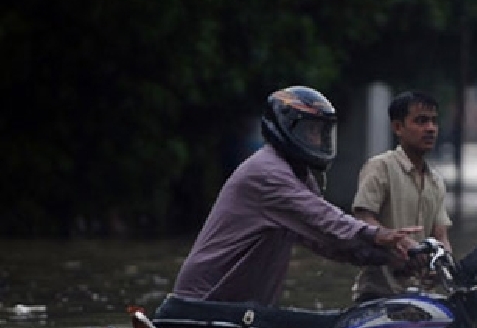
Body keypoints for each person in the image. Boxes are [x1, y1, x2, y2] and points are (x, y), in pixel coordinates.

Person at [158, 86, 421, 309]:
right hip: (202, 305)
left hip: (242, 310)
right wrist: (378, 234)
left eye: (321, 132)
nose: (317, 139)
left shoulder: (299, 176)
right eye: (310, 131)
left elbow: (326, 241)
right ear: (286, 128)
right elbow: (326, 219)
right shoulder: (267, 173)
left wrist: (389, 257)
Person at [351, 90, 452, 302]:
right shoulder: (380, 167)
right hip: (377, 295)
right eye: (421, 121)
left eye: (434, 121)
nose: (431, 129)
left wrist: (443, 266)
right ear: (398, 127)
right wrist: (401, 242)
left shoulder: (436, 181)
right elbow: (361, 219)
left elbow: (441, 235)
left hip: (421, 299)